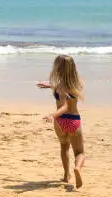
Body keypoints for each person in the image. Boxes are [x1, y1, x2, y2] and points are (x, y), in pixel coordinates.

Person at [37, 54, 86, 189]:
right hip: (74, 121)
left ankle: (66, 175)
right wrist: (49, 86)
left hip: (60, 122)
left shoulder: (59, 87)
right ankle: (77, 168)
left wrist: (53, 115)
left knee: (64, 146)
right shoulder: (77, 84)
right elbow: (66, 100)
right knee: (80, 153)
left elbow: (63, 99)